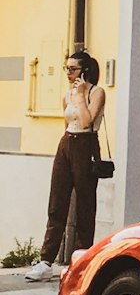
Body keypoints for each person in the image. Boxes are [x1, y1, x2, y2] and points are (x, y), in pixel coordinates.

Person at [25, 49, 106, 282]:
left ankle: (80, 260)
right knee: (57, 201)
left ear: (85, 70)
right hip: (67, 143)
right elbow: (68, 123)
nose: (69, 74)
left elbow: (86, 121)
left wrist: (81, 96)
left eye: (73, 69)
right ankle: (45, 261)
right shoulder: (66, 95)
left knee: (84, 203)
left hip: (86, 145)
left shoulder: (96, 92)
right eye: (67, 69)